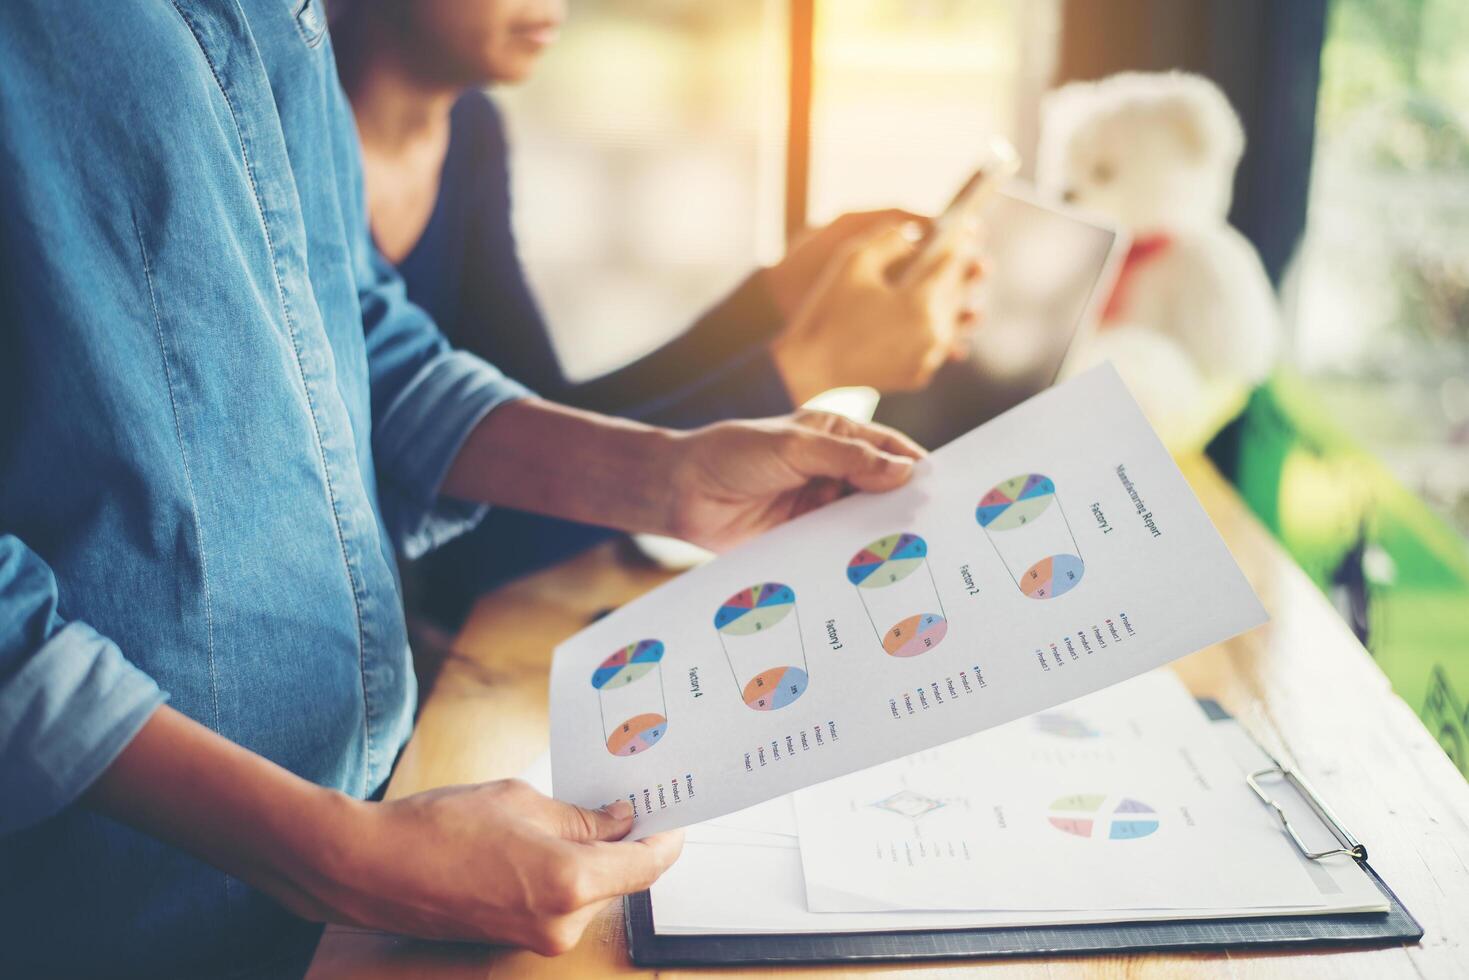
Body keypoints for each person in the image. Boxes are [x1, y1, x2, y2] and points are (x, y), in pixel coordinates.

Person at [0, 3, 928, 976]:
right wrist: (343, 859)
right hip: (118, 915)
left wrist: (668, 476)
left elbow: (354, 335)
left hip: (365, 829)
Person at [331, 0, 980, 619]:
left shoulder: (467, 129)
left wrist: (772, 305)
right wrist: (807, 366)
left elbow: (539, 423)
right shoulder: (284, 176)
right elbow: (469, 544)